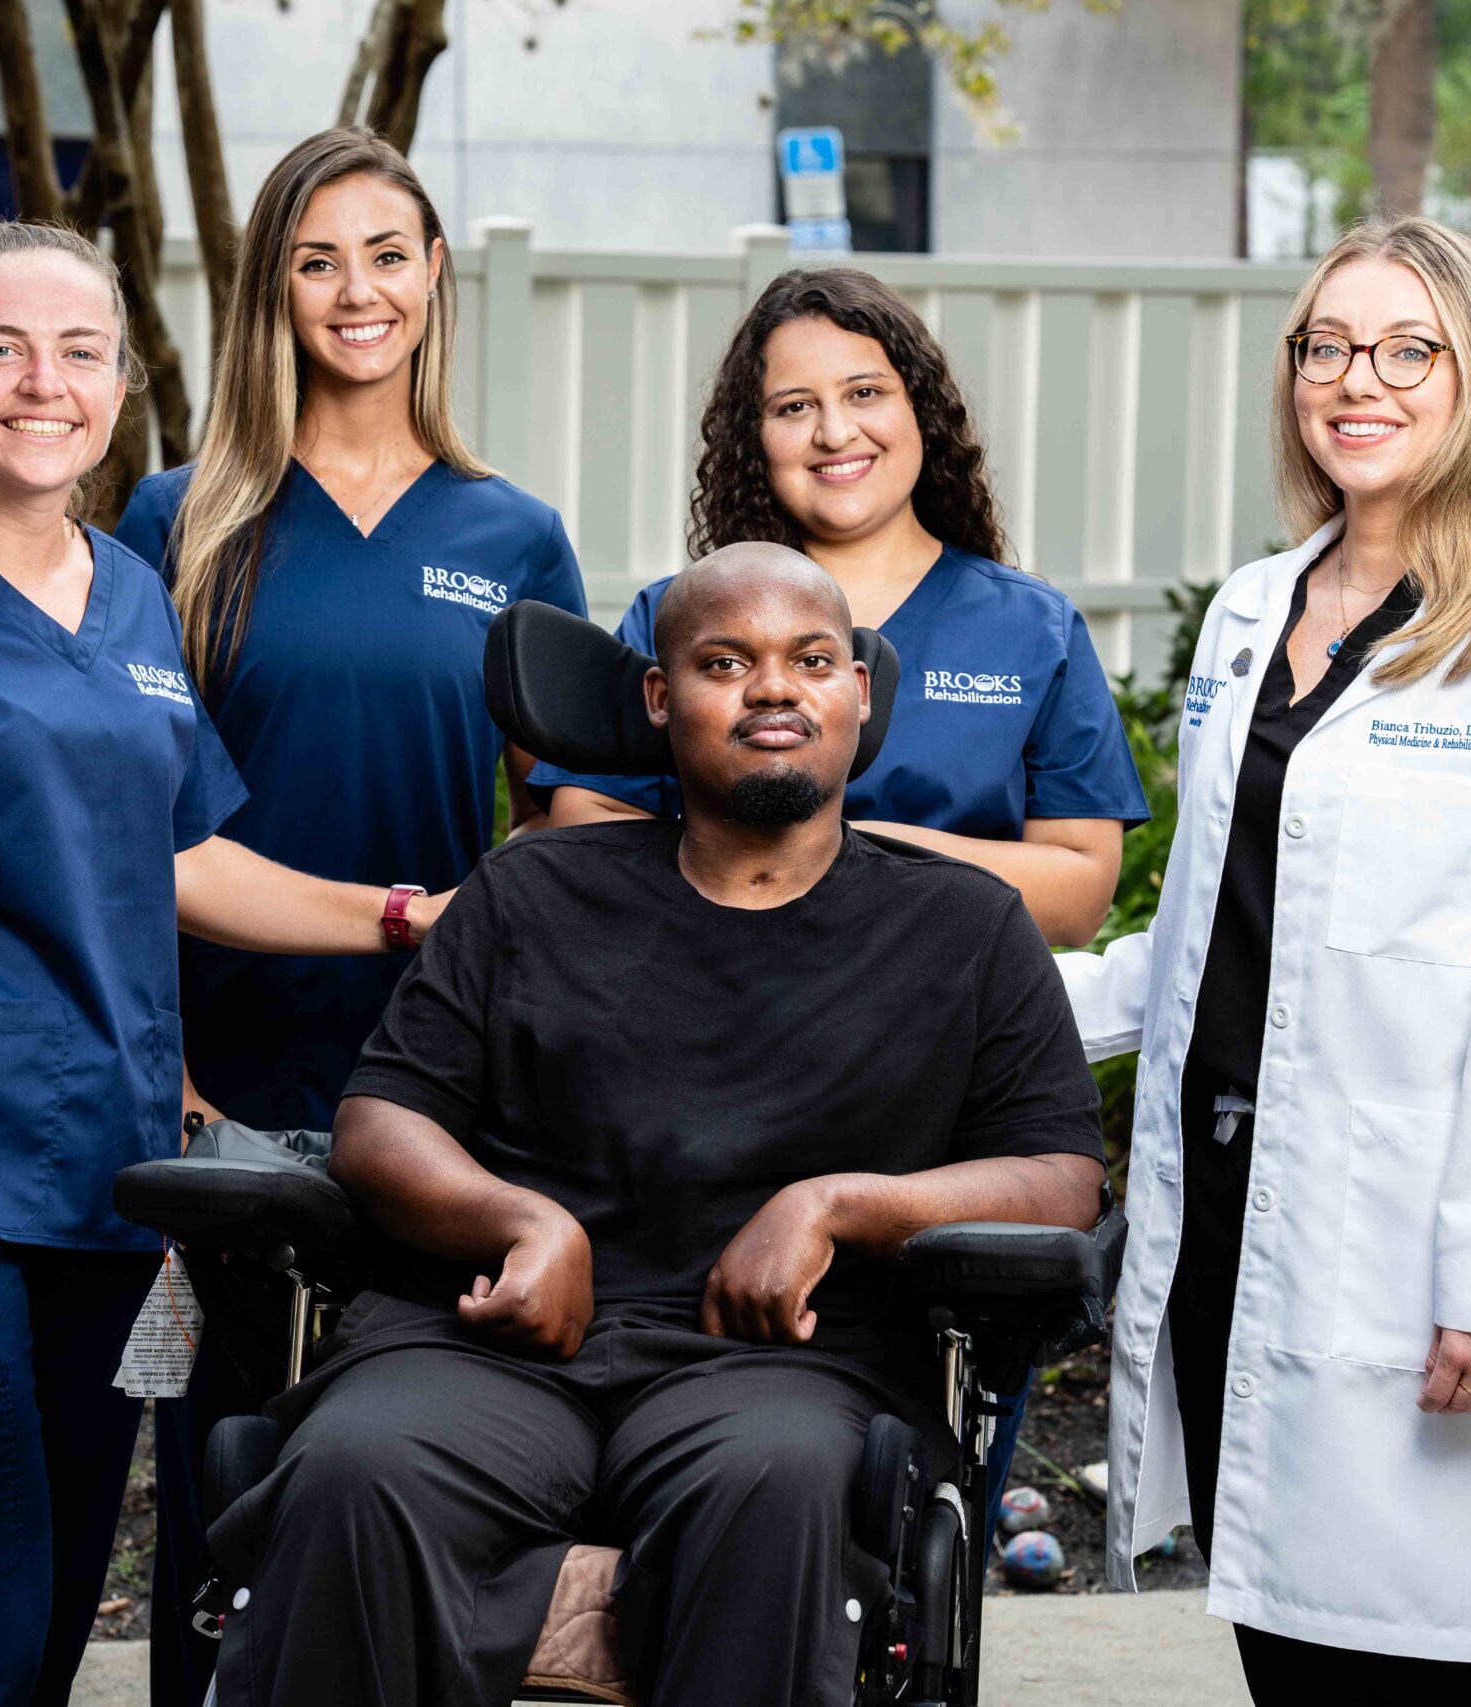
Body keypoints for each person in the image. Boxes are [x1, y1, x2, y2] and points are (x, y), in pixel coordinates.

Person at [0, 221, 443, 1707]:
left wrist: (400, 914)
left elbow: (180, 860)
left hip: (104, 1188)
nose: (44, 383)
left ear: (119, 387)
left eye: (82, 351)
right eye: (1, 348)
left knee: (43, 1620)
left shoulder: (127, 595)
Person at [209, 545, 1108, 1707]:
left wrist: (837, 1204)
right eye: (725, 662)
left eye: (812, 660)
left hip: (785, 1368)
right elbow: (381, 1125)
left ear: (861, 694)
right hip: (491, 1347)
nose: (774, 689)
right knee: (354, 1469)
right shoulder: (528, 894)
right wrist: (519, 1220)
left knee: (777, 1488)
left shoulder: (967, 929)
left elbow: (1057, 1179)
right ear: (656, 697)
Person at [1057, 217, 1471, 1699]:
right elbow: (1209, 924)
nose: (1356, 380)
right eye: (1326, 345)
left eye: (1407, 349)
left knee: (1435, 1654)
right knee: (1287, 1641)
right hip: (1234, 1219)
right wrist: (964, 994)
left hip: (1414, 1255)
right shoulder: (1255, 609)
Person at [532, 268, 1147, 1532]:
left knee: (890, 1483)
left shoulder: (1025, 628)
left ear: (921, 412)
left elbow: (1079, 885)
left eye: (865, 393)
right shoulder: (682, 613)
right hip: (690, 1069)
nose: (834, 432)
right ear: (750, 440)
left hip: (929, 1088)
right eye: (793, 405)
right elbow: (581, 823)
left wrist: (839, 838)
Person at [111, 127, 585, 1702]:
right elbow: (126, 821)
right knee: (216, 1485)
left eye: (388, 253)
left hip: (440, 1103)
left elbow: (570, 827)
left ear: (436, 274)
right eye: (318, 259)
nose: (356, 290)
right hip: (220, 1092)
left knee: (390, 1484)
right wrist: (164, 1069)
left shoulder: (510, 534)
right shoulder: (181, 518)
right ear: (272, 287)